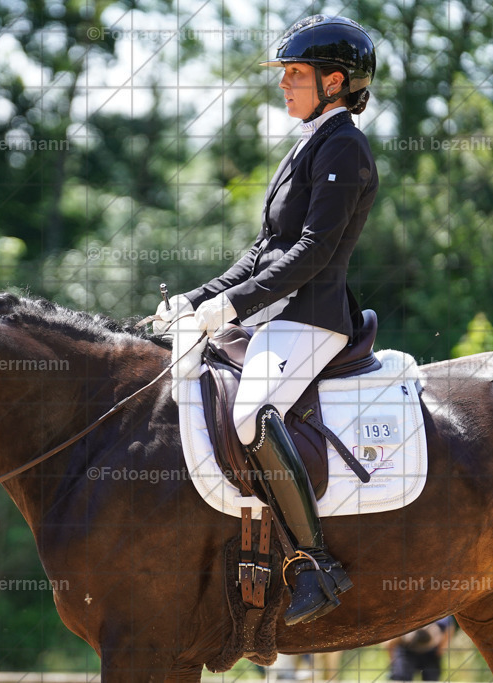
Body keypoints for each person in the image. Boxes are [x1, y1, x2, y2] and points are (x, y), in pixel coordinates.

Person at [154, 15, 379, 626]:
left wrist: (233, 307)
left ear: (334, 82)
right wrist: (196, 299)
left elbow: (313, 250)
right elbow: (263, 251)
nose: (283, 83)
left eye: (295, 73)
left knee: (251, 413)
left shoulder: (344, 146)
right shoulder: (308, 143)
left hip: (313, 319)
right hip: (276, 316)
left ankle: (314, 563)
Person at [387, 617, 454, 681]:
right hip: (407, 650)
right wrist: (393, 659)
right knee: (400, 677)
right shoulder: (403, 623)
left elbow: (449, 630)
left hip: (431, 652)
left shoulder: (442, 620)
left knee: (432, 678)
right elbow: (390, 643)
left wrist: (440, 650)